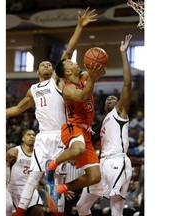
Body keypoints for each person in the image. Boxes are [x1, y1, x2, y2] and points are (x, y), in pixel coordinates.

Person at [6, 7, 98, 216]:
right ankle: (19, 213)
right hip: (43, 136)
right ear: (38, 71)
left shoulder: (57, 81)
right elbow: (17, 109)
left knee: (58, 180)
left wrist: (79, 26)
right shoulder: (33, 89)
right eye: (43, 64)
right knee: (34, 177)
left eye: (50, 63)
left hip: (63, 133)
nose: (48, 65)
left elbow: (67, 51)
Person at [75, 34, 134, 216]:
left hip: (117, 161)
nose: (110, 99)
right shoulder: (104, 121)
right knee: (81, 207)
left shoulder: (120, 112)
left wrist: (123, 54)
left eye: (113, 98)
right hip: (102, 163)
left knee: (116, 210)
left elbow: (126, 84)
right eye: (107, 98)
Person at [44, 44, 106, 212]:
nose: (74, 63)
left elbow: (103, 72)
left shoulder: (85, 76)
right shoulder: (68, 89)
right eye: (70, 63)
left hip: (86, 132)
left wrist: (97, 66)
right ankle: (51, 164)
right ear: (68, 73)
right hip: (73, 127)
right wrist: (92, 77)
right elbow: (83, 96)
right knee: (78, 150)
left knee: (94, 177)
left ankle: (60, 189)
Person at [6, 129, 44, 216]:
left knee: (38, 211)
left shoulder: (38, 154)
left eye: (34, 135)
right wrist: (8, 154)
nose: (32, 136)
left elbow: (40, 176)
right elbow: (9, 153)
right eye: (29, 134)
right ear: (23, 138)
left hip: (30, 188)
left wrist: (52, 187)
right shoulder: (17, 150)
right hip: (14, 189)